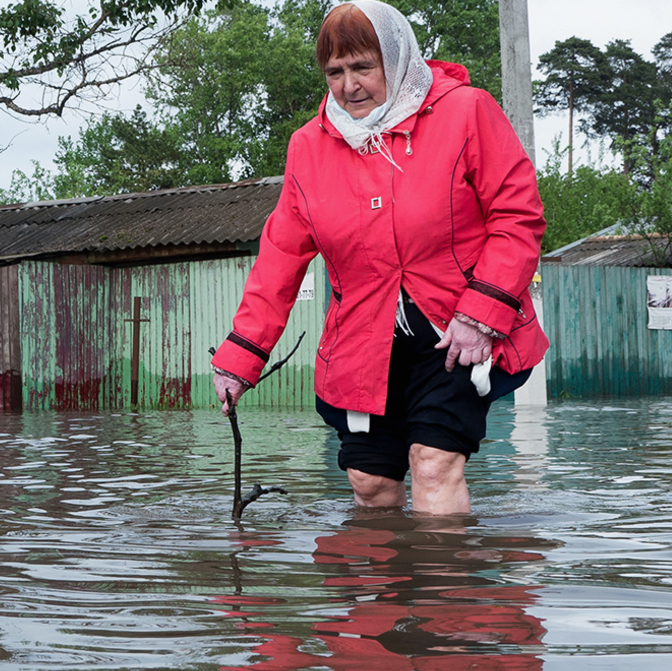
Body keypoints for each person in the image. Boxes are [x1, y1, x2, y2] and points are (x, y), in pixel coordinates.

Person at [210, 0, 549, 515]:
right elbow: (280, 256)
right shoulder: (308, 146)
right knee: (369, 483)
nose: (350, 85)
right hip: (362, 341)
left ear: (397, 60)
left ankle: (444, 589)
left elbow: (517, 215)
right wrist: (240, 357)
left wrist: (480, 316)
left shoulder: (467, 112)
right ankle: (383, 593)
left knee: (433, 463)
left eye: (364, 67)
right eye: (335, 72)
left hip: (453, 334)